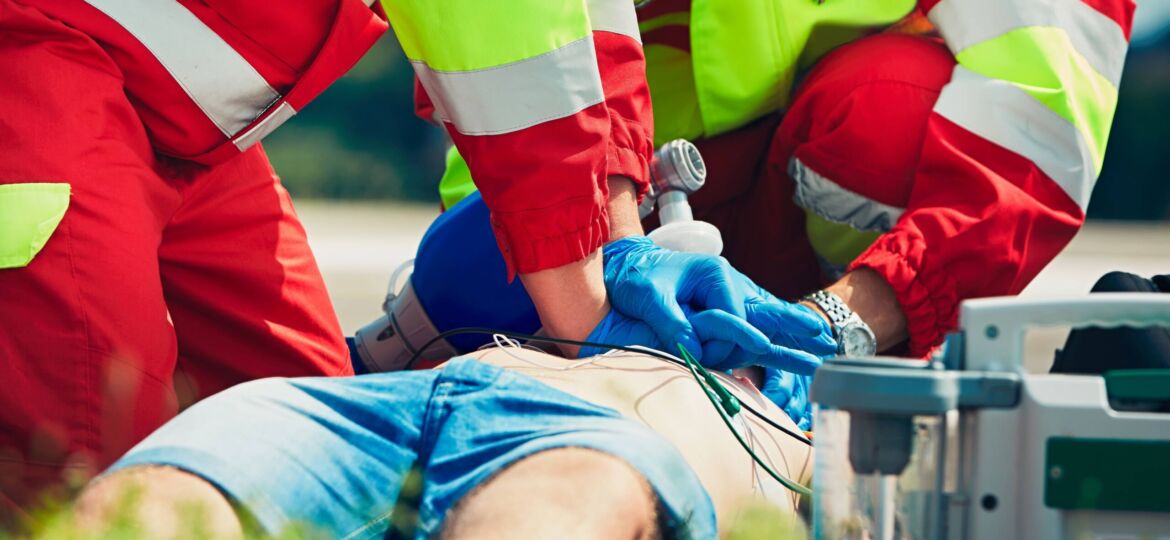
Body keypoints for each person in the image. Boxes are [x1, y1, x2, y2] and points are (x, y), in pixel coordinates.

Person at [0, 0, 799, 514]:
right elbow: (500, 41)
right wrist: (594, 313)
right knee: (90, 463)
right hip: (39, 63)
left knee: (307, 406)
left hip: (181, 116)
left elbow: (581, 35)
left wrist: (622, 236)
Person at [435, 0, 1137, 359]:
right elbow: (522, 54)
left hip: (810, 211)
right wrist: (597, 272)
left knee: (890, 120)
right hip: (589, 189)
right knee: (479, 306)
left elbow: (1035, 116)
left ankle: (832, 365)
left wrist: (846, 321)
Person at [72, 343, 818, 539]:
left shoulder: (818, 408)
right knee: (151, 503)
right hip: (376, 405)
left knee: (564, 496)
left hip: (602, 440)